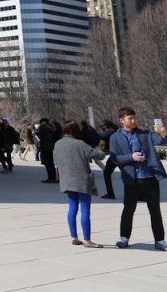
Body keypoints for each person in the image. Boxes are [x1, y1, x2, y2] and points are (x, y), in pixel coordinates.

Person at [108, 107, 167, 250]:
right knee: (128, 209)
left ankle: (160, 240)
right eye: (130, 118)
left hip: (150, 177)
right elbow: (114, 158)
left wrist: (163, 133)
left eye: (135, 118)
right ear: (122, 120)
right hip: (131, 179)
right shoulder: (115, 137)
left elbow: (162, 147)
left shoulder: (146, 134)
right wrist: (131, 157)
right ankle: (124, 238)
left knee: (155, 210)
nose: (134, 121)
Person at [53, 120, 105, 248]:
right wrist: (99, 148)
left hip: (66, 179)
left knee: (72, 208)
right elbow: (99, 155)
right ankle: (87, 240)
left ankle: (74, 237)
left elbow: (56, 161)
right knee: (85, 209)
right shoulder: (80, 143)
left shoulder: (58, 144)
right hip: (82, 180)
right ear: (74, 130)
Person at [99, 120, 119, 199]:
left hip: (115, 156)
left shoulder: (110, 131)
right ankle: (139, 194)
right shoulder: (115, 131)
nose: (102, 128)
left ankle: (110, 194)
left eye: (103, 126)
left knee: (107, 174)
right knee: (127, 175)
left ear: (106, 125)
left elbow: (100, 136)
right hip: (117, 155)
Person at [36, 118, 60, 183]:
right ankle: (53, 177)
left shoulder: (43, 127)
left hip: (45, 147)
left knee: (47, 163)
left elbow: (38, 134)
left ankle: (51, 178)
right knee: (51, 163)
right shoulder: (52, 127)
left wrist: (39, 127)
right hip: (51, 146)